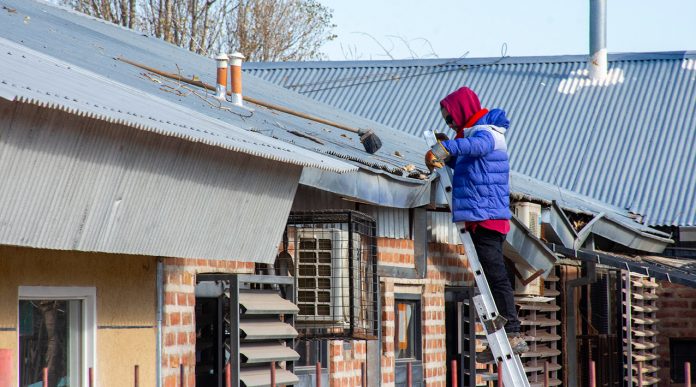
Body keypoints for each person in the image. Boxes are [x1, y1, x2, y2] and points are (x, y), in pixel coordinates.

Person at [425, 86, 528, 362]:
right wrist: (449, 151)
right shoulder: (471, 134)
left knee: (495, 275)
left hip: (489, 219)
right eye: (447, 120)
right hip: (479, 217)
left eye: (451, 117)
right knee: (489, 275)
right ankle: (502, 338)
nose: (450, 123)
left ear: (462, 110)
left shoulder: (488, 133)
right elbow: (463, 161)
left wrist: (447, 147)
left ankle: (515, 333)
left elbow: (476, 147)